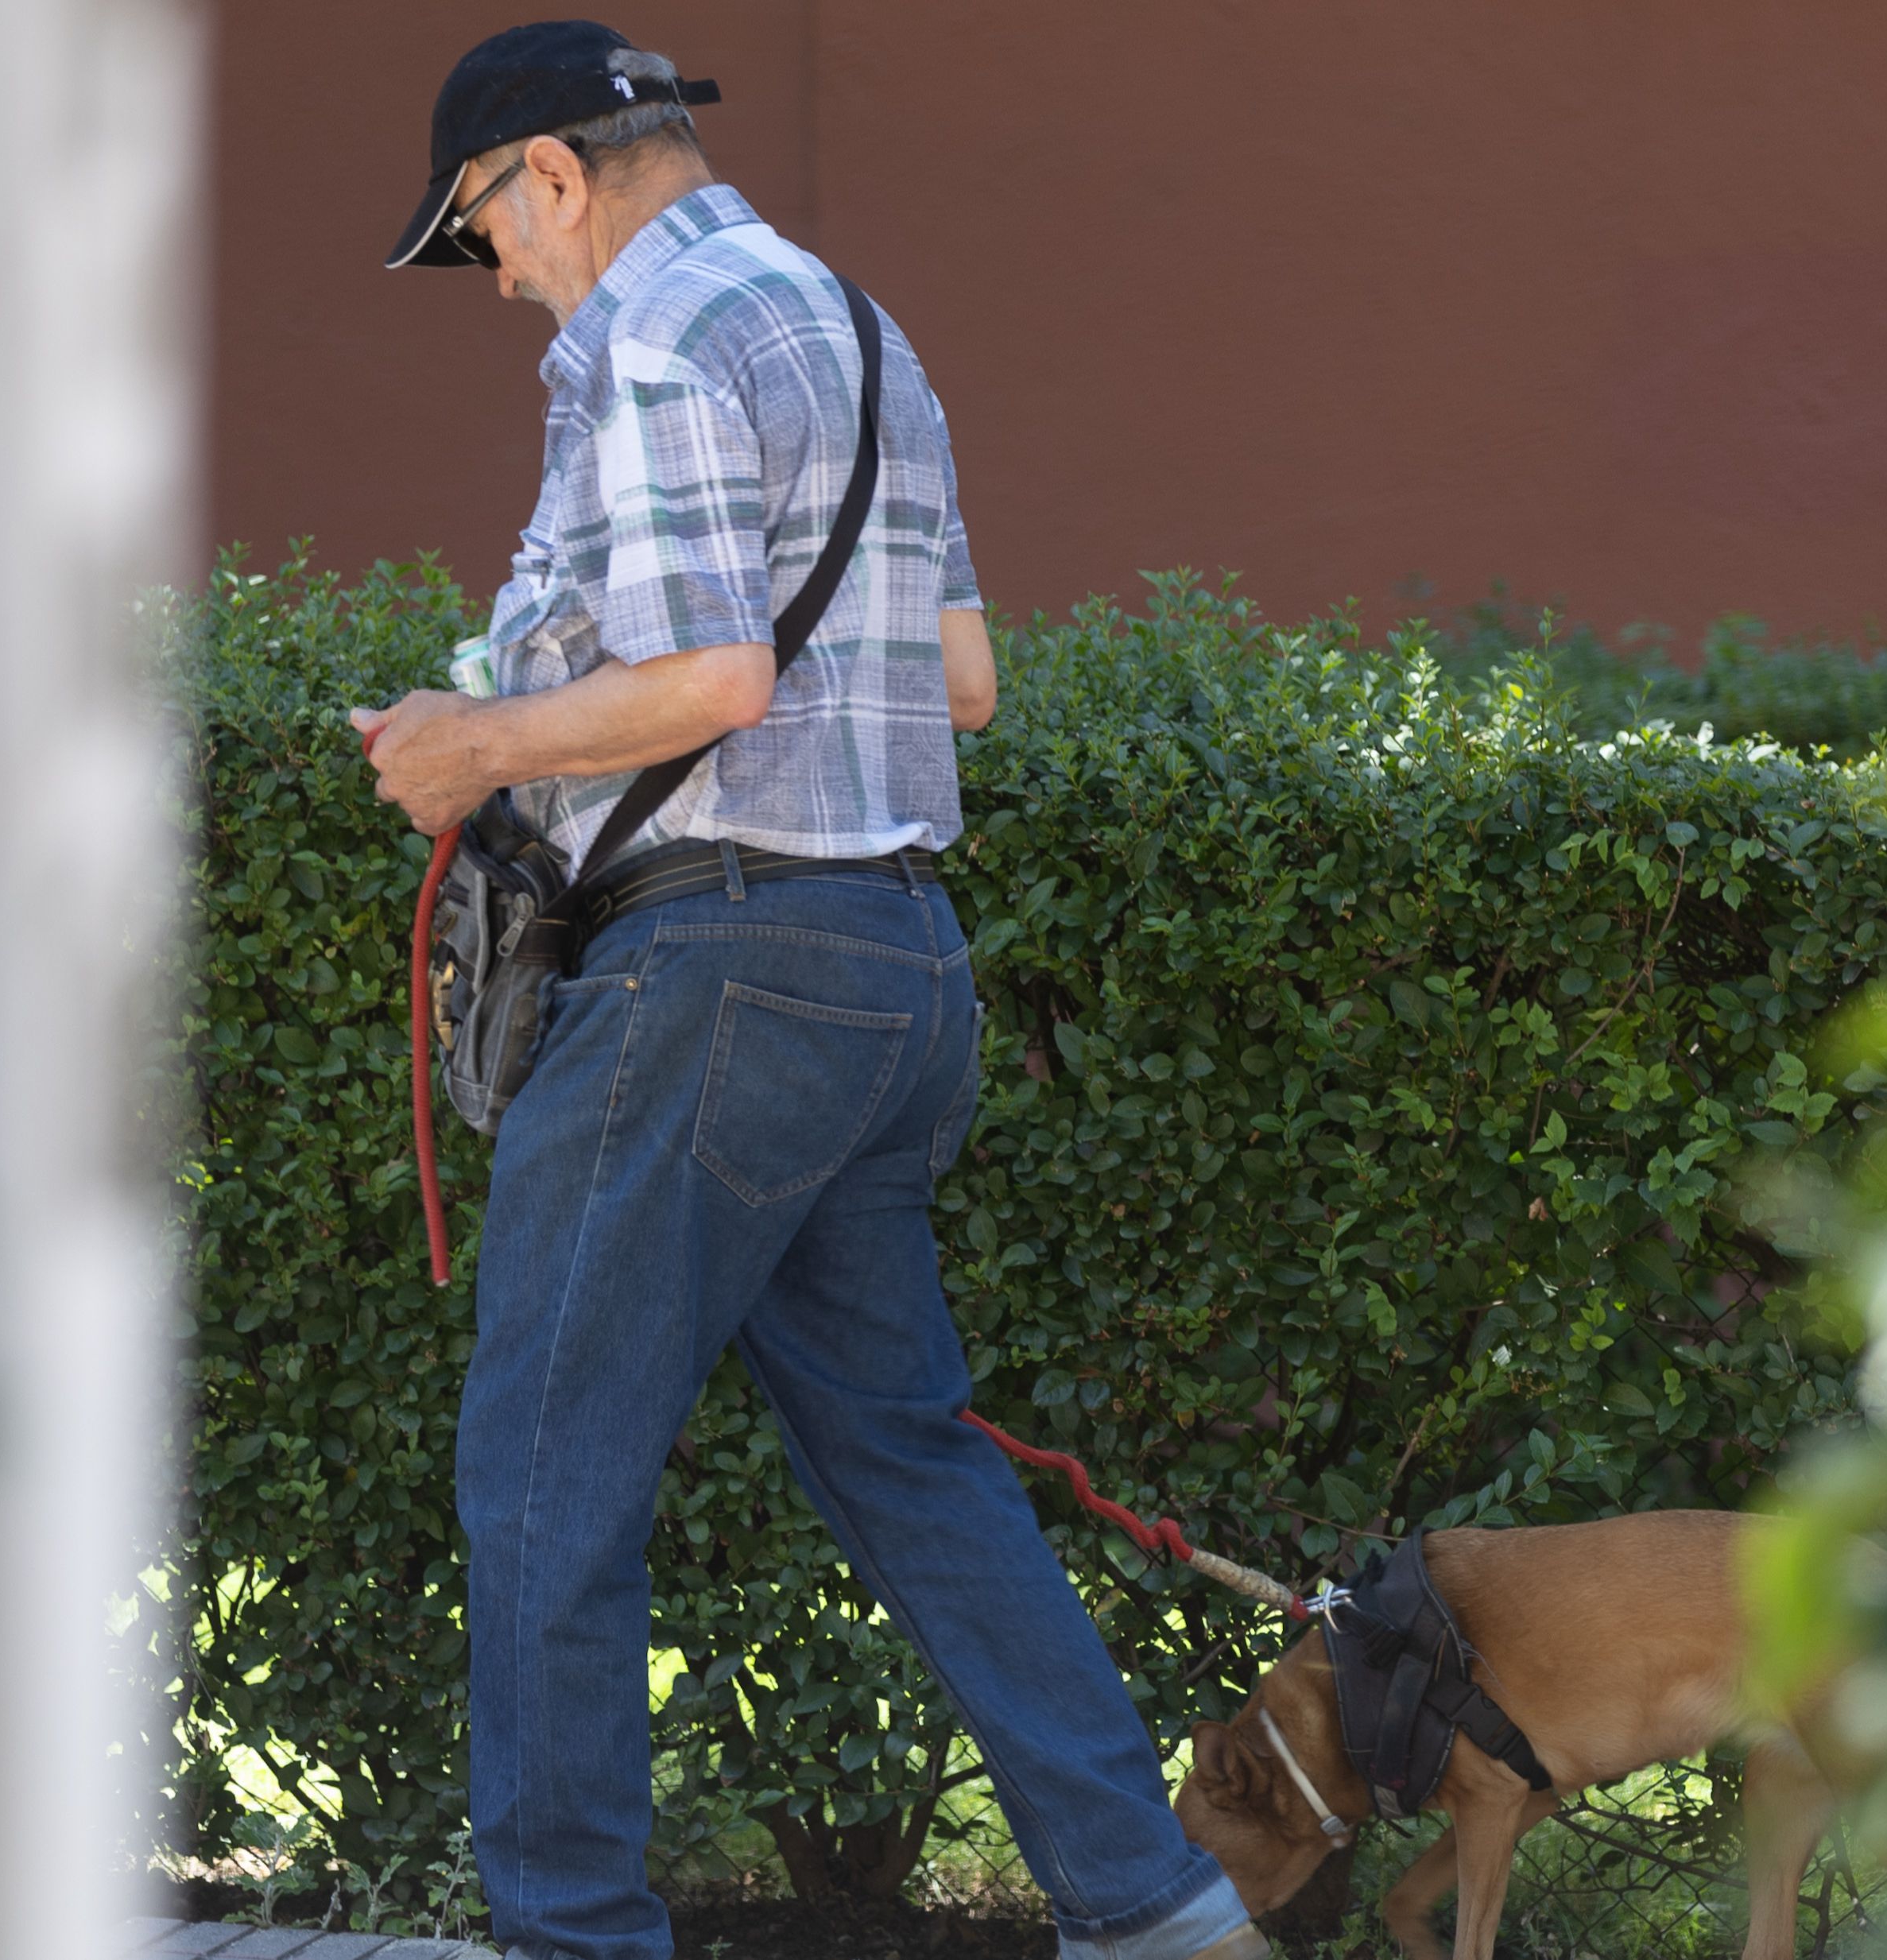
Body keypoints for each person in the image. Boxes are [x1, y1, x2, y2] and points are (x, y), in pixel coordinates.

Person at [350, 23, 1265, 1960]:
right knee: (908, 1457)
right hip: (886, 970)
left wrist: (476, 745)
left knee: (540, 1476)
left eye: (475, 233)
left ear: (552, 172)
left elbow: (714, 687)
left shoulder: (655, 341)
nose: (491, 280)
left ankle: (570, 1934)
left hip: (719, 967)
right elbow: (961, 683)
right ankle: (1161, 1909)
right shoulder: (858, 330)